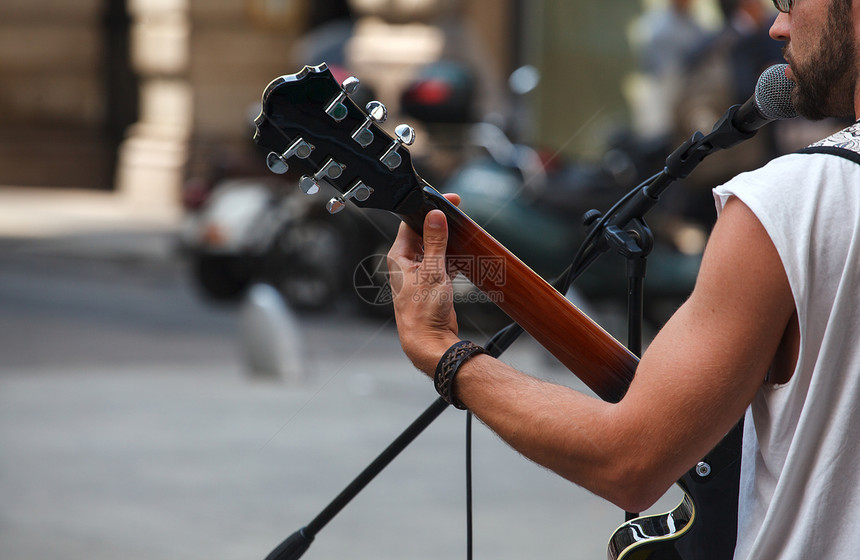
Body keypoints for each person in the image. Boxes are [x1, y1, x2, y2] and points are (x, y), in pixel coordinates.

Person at [386, 0, 860, 557]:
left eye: (791, 1)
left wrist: (442, 352)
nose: (777, 25)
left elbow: (630, 460)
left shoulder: (798, 202)